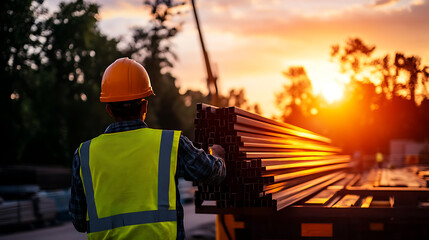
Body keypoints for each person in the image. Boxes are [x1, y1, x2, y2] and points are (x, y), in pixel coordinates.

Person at [69, 57, 226, 240]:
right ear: (144, 105)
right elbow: (212, 172)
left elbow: (79, 221)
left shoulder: (85, 154)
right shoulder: (169, 143)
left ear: (109, 109)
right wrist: (217, 155)